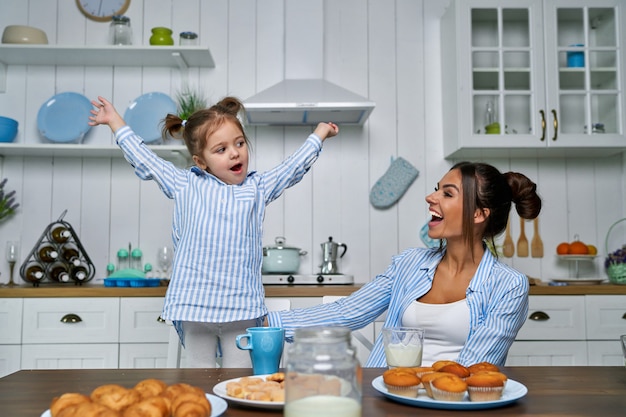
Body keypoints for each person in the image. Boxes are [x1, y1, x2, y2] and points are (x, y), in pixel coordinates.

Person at [88, 95, 338, 368]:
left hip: (241, 308)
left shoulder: (256, 189)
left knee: (238, 381)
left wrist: (319, 134)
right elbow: (145, 159)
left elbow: (291, 168)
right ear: (201, 161)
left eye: (239, 143)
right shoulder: (185, 184)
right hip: (194, 308)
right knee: (200, 382)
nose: (234, 153)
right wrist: (115, 121)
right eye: (221, 149)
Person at [267, 161, 542, 367]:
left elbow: (473, 368)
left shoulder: (508, 286)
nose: (430, 198)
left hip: (454, 404)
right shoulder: (409, 264)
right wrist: (266, 323)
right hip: (390, 396)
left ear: (478, 213)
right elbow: (347, 312)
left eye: (447, 194)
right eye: (437, 190)